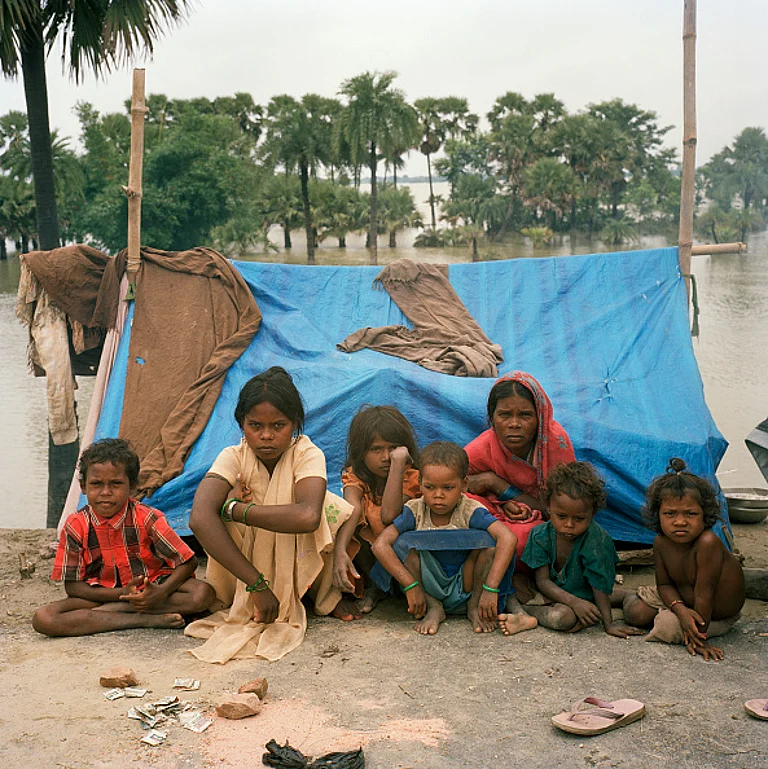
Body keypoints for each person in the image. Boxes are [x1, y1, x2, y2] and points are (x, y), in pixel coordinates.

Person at [185, 366, 354, 663]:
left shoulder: (306, 453)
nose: (266, 436)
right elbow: (199, 518)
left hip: (299, 551)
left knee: (332, 508)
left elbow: (307, 516)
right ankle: (254, 592)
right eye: (255, 425)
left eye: (278, 426)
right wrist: (257, 585)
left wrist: (236, 509)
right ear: (241, 424)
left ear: (295, 424)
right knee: (213, 518)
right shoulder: (233, 456)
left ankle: (315, 594)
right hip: (250, 568)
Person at [32, 439, 214, 637]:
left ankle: (107, 615)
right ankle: (141, 619)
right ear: (83, 486)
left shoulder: (148, 518)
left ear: (132, 486)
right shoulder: (75, 525)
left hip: (151, 589)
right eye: (96, 484)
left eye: (116, 484)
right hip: (102, 594)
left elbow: (188, 562)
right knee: (44, 618)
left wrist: (160, 592)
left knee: (202, 594)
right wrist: (122, 595)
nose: (106, 492)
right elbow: (73, 586)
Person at [372, 441, 523, 636]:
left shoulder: (469, 510)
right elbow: (380, 545)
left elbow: (507, 538)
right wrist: (411, 586)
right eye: (429, 487)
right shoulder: (415, 510)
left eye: (448, 487)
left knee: (490, 547)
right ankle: (433, 607)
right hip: (426, 588)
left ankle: (474, 606)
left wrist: (490, 589)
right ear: (419, 484)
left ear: (464, 485)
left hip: (467, 584)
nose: (438, 495)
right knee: (402, 547)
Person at [622, 458, 745, 661]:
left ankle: (630, 596)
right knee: (635, 613)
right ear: (658, 515)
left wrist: (701, 639)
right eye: (670, 514)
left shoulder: (707, 543)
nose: (680, 522)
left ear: (705, 516)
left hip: (714, 614)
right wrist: (680, 610)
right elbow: (663, 583)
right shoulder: (660, 542)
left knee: (666, 628)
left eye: (691, 514)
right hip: (684, 600)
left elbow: (704, 596)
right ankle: (624, 596)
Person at [514, 461, 643, 639]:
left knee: (565, 616)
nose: (569, 524)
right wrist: (574, 603)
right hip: (552, 594)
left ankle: (623, 598)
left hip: (586, 593)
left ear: (593, 513)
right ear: (548, 506)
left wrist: (609, 623)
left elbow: (599, 585)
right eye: (561, 516)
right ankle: (526, 611)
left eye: (579, 518)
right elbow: (542, 582)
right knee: (562, 616)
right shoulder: (540, 535)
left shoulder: (597, 540)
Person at [465, 372, 576, 568]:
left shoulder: (556, 445)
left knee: (539, 540)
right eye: (504, 415)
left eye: (525, 415)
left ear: (540, 416)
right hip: (498, 522)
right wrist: (501, 502)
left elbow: (561, 509)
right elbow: (449, 486)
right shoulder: (483, 448)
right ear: (492, 418)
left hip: (541, 525)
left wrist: (496, 484)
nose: (514, 424)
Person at [335, 405, 420, 618]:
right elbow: (351, 508)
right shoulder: (356, 475)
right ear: (361, 452)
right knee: (348, 516)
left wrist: (398, 465)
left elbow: (389, 515)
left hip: (403, 555)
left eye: (392, 449)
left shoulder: (412, 477)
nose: (385, 457)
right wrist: (340, 550)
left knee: (381, 518)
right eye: (376, 449)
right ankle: (374, 586)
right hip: (370, 557)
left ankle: (400, 587)